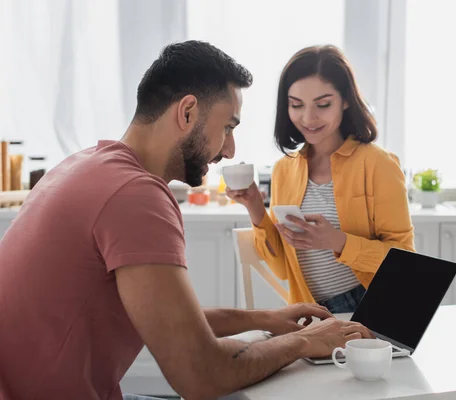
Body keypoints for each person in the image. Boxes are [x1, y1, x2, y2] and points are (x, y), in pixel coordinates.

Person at [0, 41, 371, 400]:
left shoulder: (83, 166)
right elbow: (201, 376)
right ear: (188, 112)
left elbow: (168, 320)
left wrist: (266, 319)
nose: (229, 150)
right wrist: (305, 341)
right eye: (228, 127)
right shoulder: (134, 195)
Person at [228, 45, 415, 314]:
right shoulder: (285, 169)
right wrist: (255, 207)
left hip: (371, 304)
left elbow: (405, 261)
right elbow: (282, 268)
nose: (308, 118)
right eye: (296, 105)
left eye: (323, 105)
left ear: (346, 100)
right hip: (311, 311)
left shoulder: (378, 164)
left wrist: (339, 242)